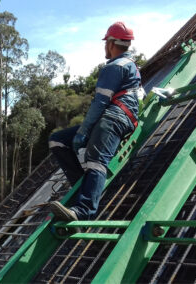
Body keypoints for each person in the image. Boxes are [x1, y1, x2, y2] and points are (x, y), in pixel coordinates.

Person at [49, 22, 144, 221]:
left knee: (96, 161)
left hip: (114, 116)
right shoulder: (131, 66)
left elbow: (100, 102)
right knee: (58, 140)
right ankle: (80, 192)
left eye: (106, 42)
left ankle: (84, 210)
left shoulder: (115, 67)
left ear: (110, 43)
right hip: (117, 116)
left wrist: (84, 131)